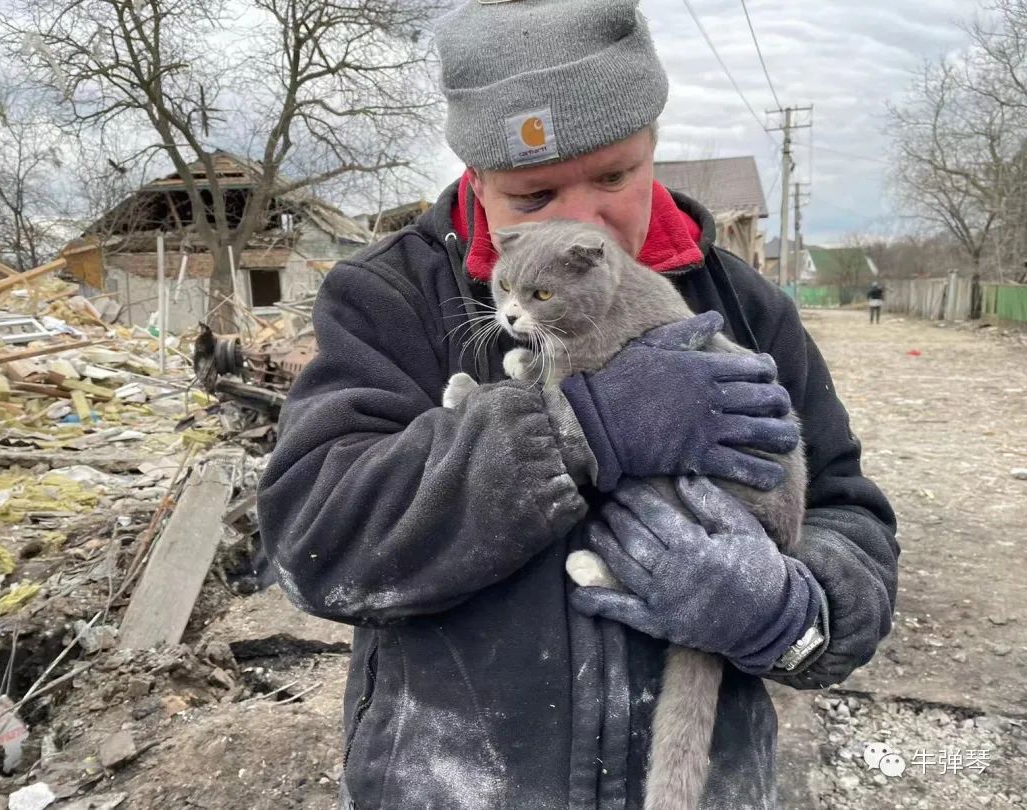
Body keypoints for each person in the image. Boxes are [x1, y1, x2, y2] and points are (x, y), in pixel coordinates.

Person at [258, 1, 899, 807]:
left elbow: (852, 518)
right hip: (451, 783)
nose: (580, 221)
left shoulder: (743, 306)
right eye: (533, 195)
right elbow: (313, 542)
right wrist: (573, 429)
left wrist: (789, 611)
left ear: (653, 147)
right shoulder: (389, 298)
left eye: (612, 177)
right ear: (478, 181)